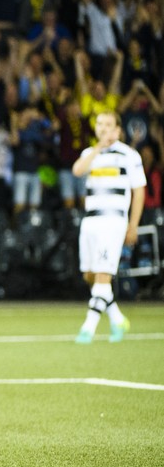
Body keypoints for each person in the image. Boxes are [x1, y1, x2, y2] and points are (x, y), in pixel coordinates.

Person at [72, 111, 146, 344]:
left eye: (108, 125)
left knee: (104, 275)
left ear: (117, 130)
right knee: (90, 275)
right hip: (90, 221)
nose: (103, 129)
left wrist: (133, 224)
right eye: (99, 124)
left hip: (113, 221)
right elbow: (77, 170)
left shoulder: (128, 155)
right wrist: (97, 148)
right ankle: (117, 318)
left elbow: (139, 190)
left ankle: (88, 328)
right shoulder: (90, 153)